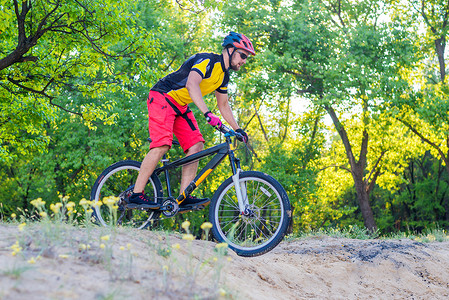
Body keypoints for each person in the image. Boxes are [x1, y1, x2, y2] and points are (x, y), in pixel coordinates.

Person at [128, 32, 255, 210]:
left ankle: (183, 196)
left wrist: (238, 129)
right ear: (230, 49)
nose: (244, 60)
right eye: (243, 55)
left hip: (180, 105)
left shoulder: (223, 76)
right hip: (163, 96)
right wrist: (207, 113)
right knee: (162, 145)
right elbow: (191, 84)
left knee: (196, 145)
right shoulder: (208, 61)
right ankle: (136, 194)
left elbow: (224, 104)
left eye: (246, 58)